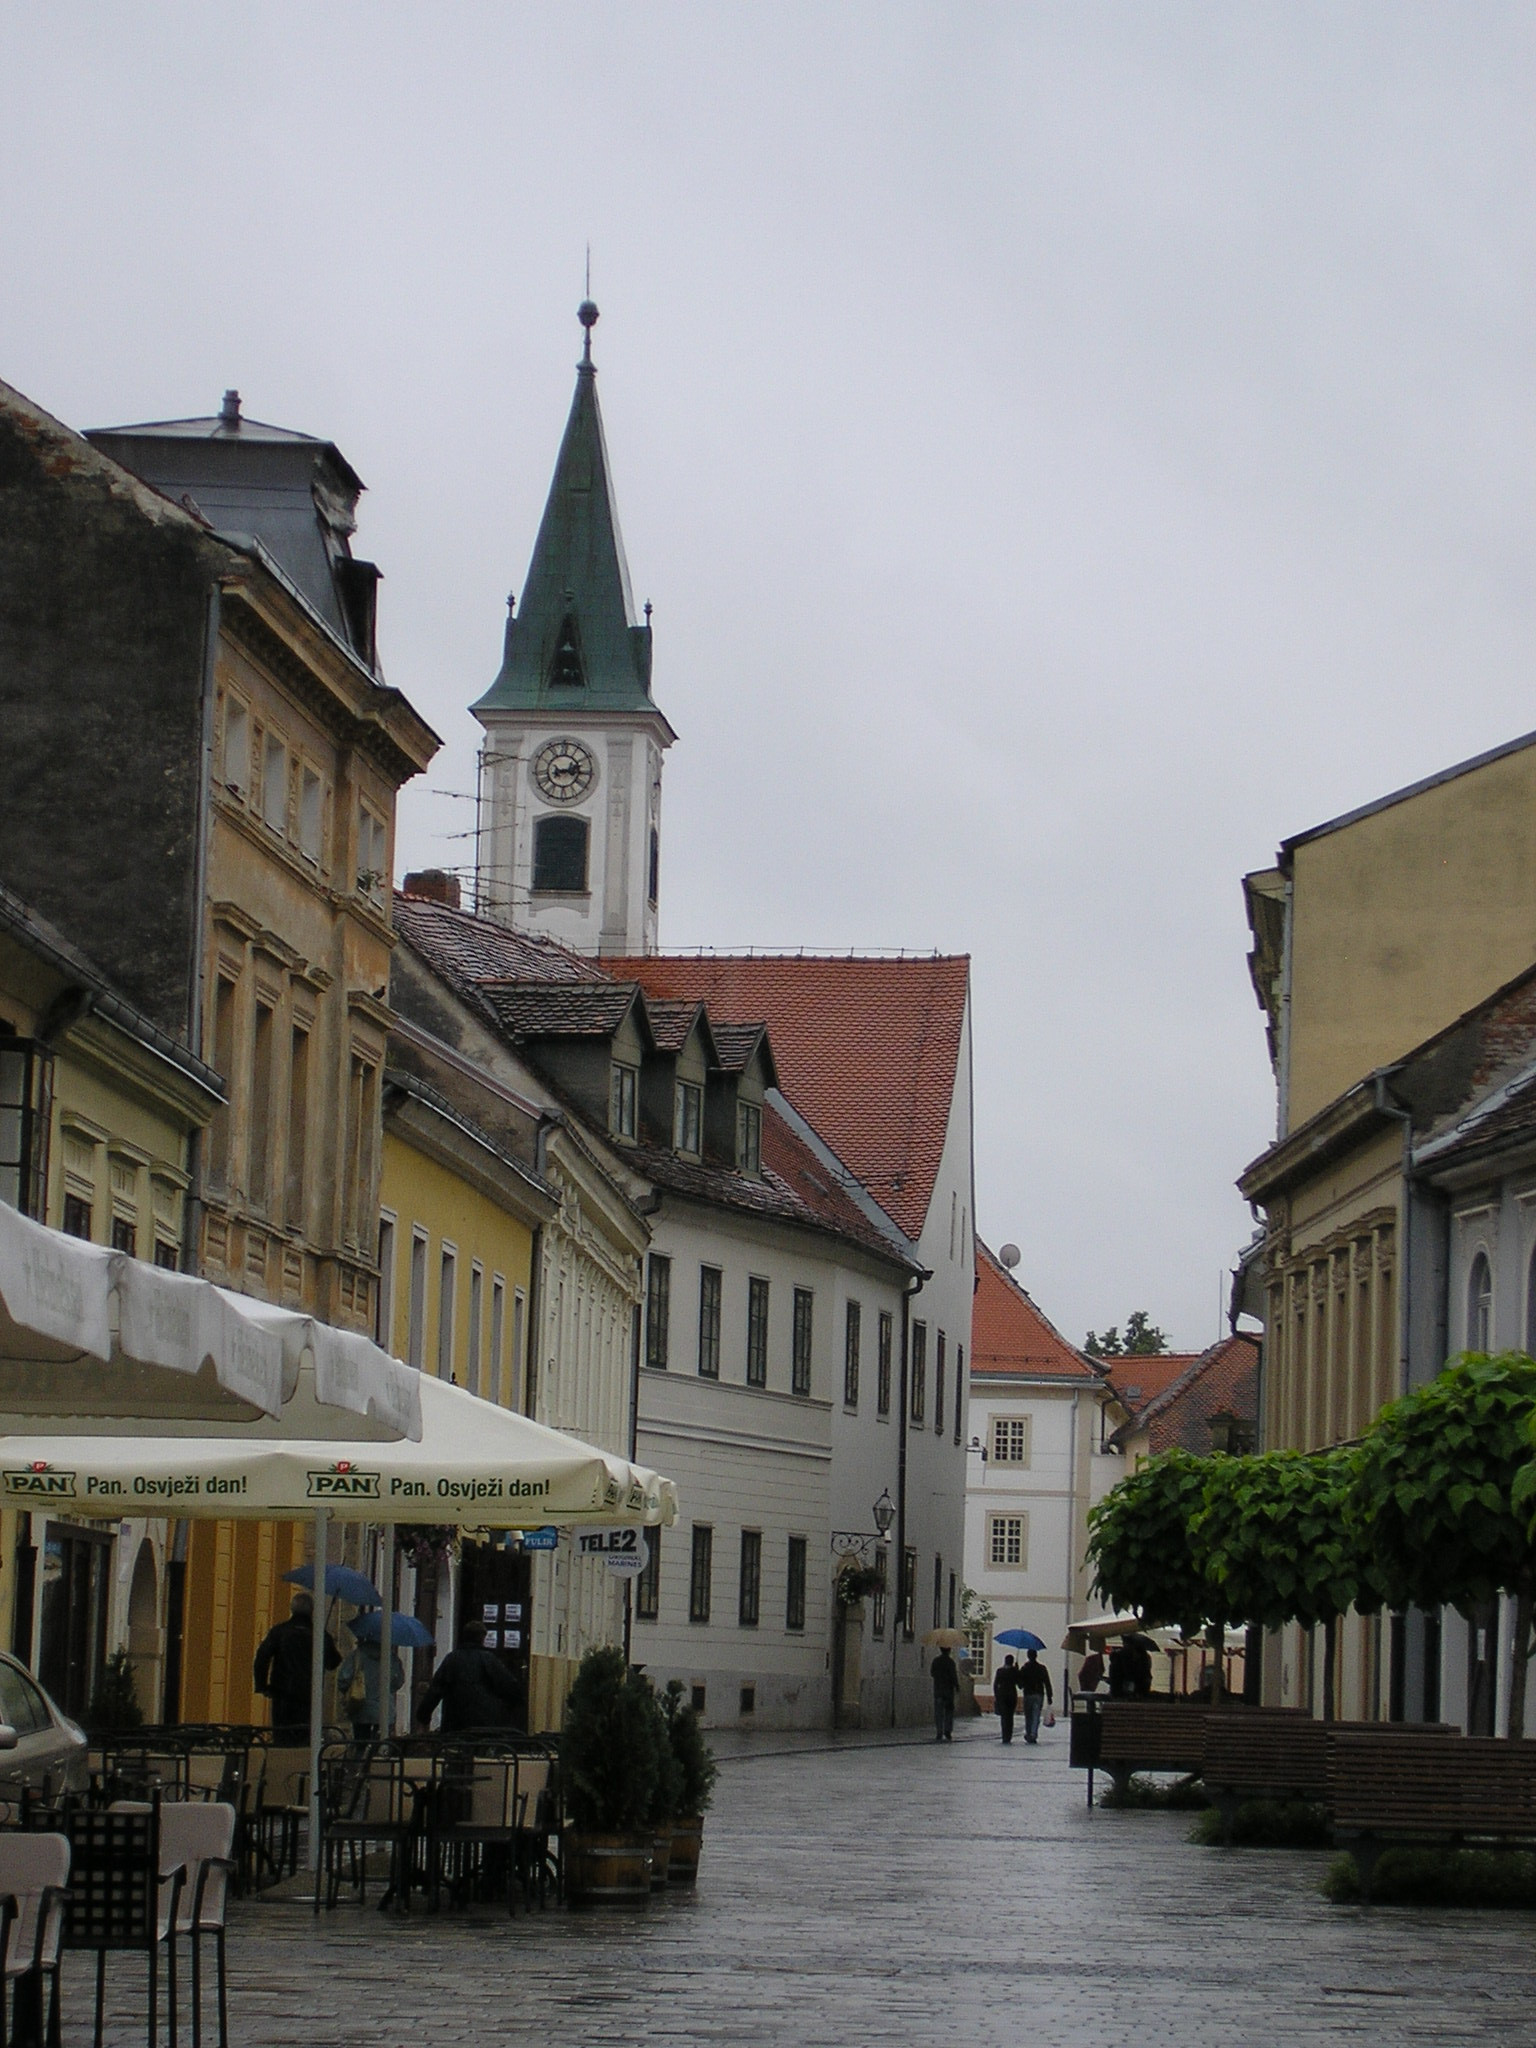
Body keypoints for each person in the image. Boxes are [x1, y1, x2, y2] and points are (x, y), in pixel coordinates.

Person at [253, 1592, 340, 1740]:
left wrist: (262, 1685)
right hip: (309, 1693)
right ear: (312, 1611)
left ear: (292, 1609)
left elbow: (262, 1657)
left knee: (282, 1735)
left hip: (282, 1691)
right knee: (304, 1736)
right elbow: (333, 1663)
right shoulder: (320, 1635)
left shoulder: (279, 1632)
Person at [415, 1619, 524, 1734]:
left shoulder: (452, 1659)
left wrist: (423, 1716)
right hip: (486, 1723)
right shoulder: (489, 1659)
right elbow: (509, 1685)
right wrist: (512, 1708)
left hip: (455, 1722)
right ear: (483, 1638)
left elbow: (435, 1690)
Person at [337, 1627, 406, 1742]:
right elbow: (398, 1681)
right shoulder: (392, 1658)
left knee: (360, 1741)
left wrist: (348, 1691)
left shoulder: (357, 1655)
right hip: (385, 1707)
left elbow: (343, 1679)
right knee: (381, 1743)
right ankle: (375, 1752)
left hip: (360, 1705)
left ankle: (360, 1753)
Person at [1018, 1648, 1053, 1743]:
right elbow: (1047, 1682)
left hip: (1028, 1694)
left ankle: (1028, 1732)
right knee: (1036, 1715)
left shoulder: (1025, 1668)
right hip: (1039, 1694)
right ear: (1036, 1656)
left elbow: (1020, 1685)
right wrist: (1049, 1696)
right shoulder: (1042, 1668)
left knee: (1028, 1715)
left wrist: (1018, 1672)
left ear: (1028, 1656)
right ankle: (1033, 1733)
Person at [930, 1646, 960, 1742]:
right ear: (949, 1651)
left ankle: (939, 1731)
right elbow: (953, 1676)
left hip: (938, 1690)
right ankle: (947, 1731)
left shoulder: (936, 1661)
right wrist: (957, 1686)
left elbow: (932, 1673)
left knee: (939, 1713)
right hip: (948, 1692)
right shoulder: (950, 1662)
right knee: (949, 1712)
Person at [992, 1654, 1021, 1744]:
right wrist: (1017, 1670)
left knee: (1004, 1716)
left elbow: (995, 1684)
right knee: (1010, 1716)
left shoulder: (1000, 1671)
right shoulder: (1014, 1671)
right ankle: (1009, 1735)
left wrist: (996, 1696)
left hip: (1002, 1695)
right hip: (1012, 1695)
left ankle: (1004, 1735)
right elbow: (1019, 1684)